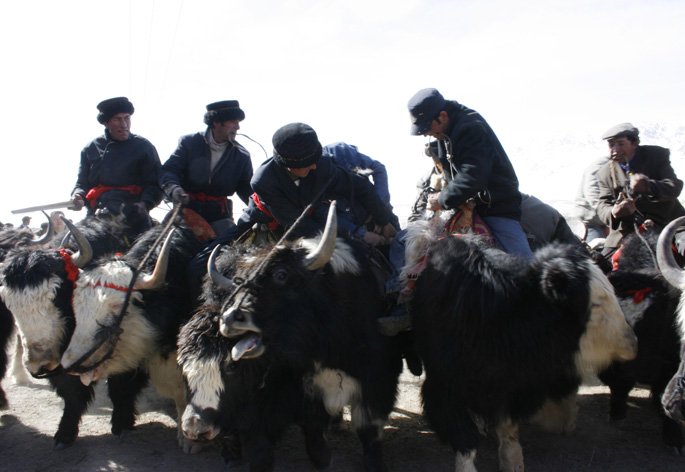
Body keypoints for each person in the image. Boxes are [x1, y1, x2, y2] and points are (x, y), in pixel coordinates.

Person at [186, 123, 398, 292]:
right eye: (307, 164)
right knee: (199, 265)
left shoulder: (321, 164)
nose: (314, 166)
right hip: (269, 217)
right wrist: (358, 235)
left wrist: (384, 220)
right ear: (288, 164)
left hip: (313, 214)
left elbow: (359, 187)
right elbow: (301, 226)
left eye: (315, 161)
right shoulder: (264, 181)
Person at [407, 88, 532, 259]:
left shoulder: (470, 129)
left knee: (523, 266)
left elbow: (473, 178)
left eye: (427, 127)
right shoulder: (445, 132)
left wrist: (442, 199)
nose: (426, 134)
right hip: (465, 205)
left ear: (442, 116)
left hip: (495, 207)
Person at [69, 97, 163, 238]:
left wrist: (146, 203)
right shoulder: (90, 148)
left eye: (127, 118)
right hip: (96, 218)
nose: (124, 124)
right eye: (117, 119)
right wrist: (78, 195)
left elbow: (155, 183)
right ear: (106, 123)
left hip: (132, 218)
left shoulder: (144, 147)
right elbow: (82, 183)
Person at [158, 100, 253, 237]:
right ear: (216, 122)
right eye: (233, 122)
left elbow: (247, 190)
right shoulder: (189, 143)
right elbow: (169, 170)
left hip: (220, 218)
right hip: (186, 214)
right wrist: (173, 188)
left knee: (227, 253)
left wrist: (262, 209)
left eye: (238, 122)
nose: (237, 127)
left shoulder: (241, 155)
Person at [596, 122, 685, 256]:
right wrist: (615, 212)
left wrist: (649, 186)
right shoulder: (604, 173)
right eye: (611, 145)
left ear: (635, 143)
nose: (615, 150)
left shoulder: (656, 155)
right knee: (600, 268)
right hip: (628, 231)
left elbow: (674, 186)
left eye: (621, 144)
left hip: (668, 223)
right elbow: (602, 205)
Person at [324, 142, 401, 235]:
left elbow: (378, 168)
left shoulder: (339, 152)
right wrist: (361, 234)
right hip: (355, 233)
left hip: (384, 220)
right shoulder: (312, 178)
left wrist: (380, 209)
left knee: (400, 245)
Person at [573, 156, 610, 244]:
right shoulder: (602, 165)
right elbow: (592, 193)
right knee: (597, 251)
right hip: (591, 221)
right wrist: (609, 216)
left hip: (605, 220)